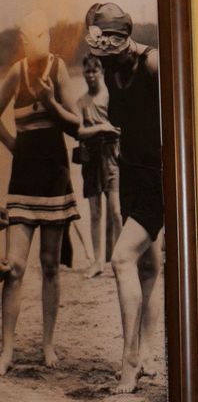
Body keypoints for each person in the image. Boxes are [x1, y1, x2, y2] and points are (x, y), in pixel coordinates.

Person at [84, 2, 165, 393]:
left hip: (160, 177)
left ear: (125, 35)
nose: (106, 52)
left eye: (113, 42)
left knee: (121, 258)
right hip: (131, 174)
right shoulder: (113, 71)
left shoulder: (152, 63)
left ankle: (130, 359)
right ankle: (148, 353)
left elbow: (186, 112)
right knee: (148, 266)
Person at [0, 11, 79, 375]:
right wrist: (14, 144)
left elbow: (76, 124)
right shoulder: (16, 72)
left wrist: (49, 104)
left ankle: (47, 346)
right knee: (14, 269)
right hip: (23, 183)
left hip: (54, 181)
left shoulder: (59, 68)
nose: (36, 41)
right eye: (29, 36)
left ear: (47, 37)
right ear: (23, 40)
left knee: (50, 266)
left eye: (41, 34)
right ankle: (8, 349)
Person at [73, 53, 121, 278]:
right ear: (83, 73)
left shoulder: (110, 97)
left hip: (111, 156)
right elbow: (79, 131)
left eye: (95, 71)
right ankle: (98, 262)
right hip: (90, 159)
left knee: (116, 210)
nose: (91, 75)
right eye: (88, 71)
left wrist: (109, 130)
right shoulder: (81, 102)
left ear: (102, 72)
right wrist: (102, 128)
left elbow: (120, 127)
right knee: (95, 213)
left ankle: (121, 260)